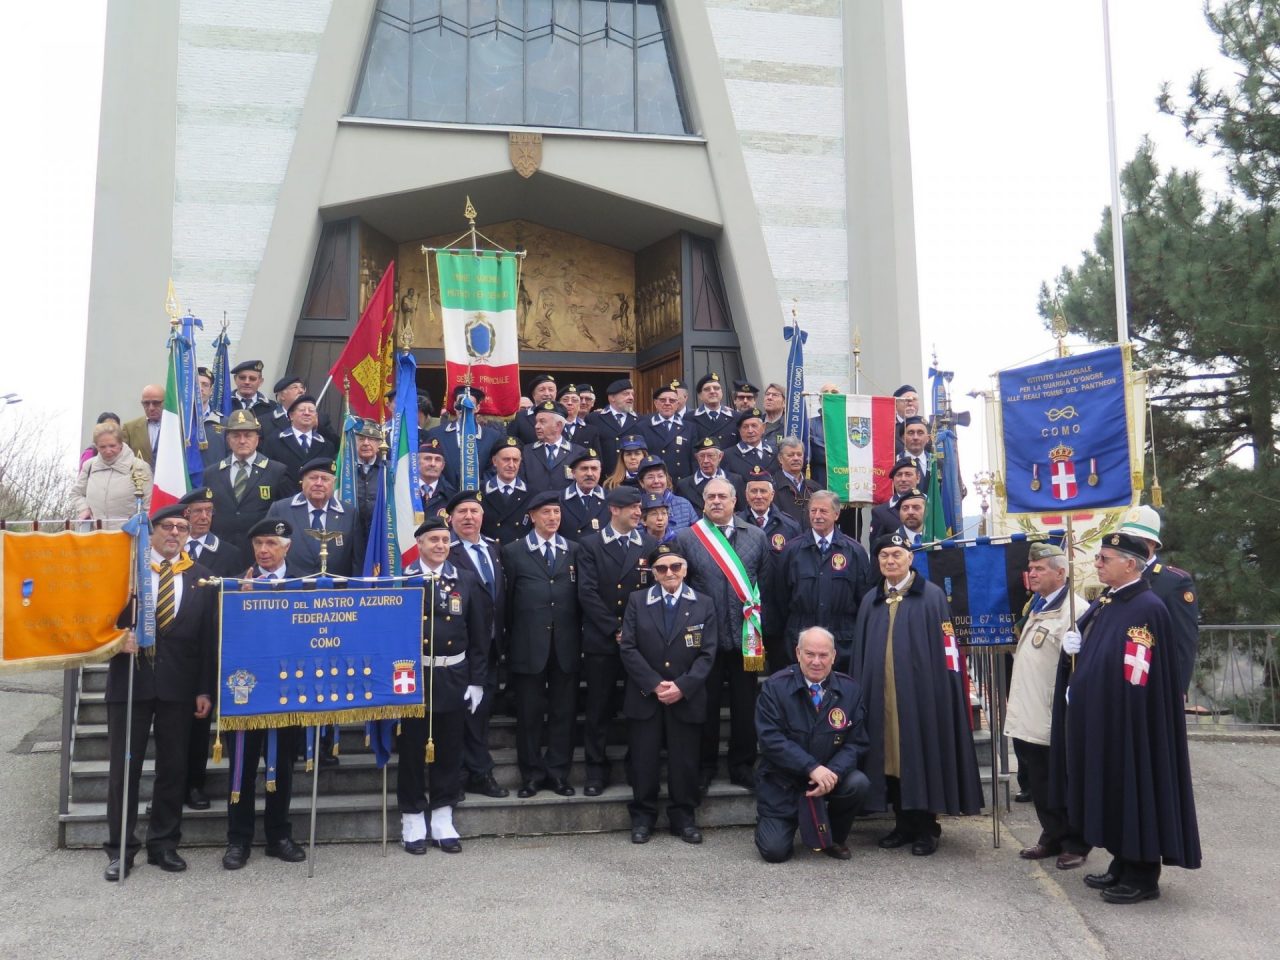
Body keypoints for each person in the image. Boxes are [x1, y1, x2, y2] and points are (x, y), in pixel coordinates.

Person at [1049, 532, 1201, 904]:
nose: (1097, 564)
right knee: (1114, 790)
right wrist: (1078, 655)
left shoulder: (1146, 607)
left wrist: (1108, 698)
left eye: (1104, 559)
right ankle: (1121, 861)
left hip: (1130, 720)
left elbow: (1137, 671)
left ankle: (1143, 874)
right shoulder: (1110, 602)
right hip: (1105, 717)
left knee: (1134, 789)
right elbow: (1102, 653)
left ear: (1129, 564)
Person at [850, 532, 983, 856]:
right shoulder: (871, 600)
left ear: (910, 558)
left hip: (922, 697)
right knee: (889, 758)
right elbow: (861, 653)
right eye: (884, 556)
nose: (890, 561)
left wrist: (947, 688)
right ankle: (902, 823)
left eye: (897, 555)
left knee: (919, 754)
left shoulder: (932, 597)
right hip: (882, 699)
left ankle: (927, 827)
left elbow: (948, 650)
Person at [102, 504, 216, 881]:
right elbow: (98, 621)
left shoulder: (201, 577)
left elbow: (206, 640)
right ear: (150, 531)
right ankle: (121, 849)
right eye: (167, 526)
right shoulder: (127, 574)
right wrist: (116, 639)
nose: (174, 533)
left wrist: (204, 689)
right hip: (130, 682)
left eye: (182, 528)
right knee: (125, 769)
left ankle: (164, 844)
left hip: (180, 688)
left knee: (173, 769)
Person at [398, 517, 489, 853]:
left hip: (454, 675)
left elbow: (480, 635)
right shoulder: (404, 580)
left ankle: (442, 816)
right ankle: (411, 817)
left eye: (444, 540)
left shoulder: (464, 580)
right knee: (411, 750)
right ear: (419, 544)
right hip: (412, 676)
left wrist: (478, 680)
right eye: (432, 539)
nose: (439, 545)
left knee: (449, 749)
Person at [222, 519, 307, 870]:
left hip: (287, 688)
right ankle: (238, 839)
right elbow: (223, 637)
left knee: (281, 766)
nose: (264, 550)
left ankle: (278, 835)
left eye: (271, 543)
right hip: (246, 689)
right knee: (241, 767)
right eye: (258, 543)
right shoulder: (238, 582)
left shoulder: (303, 583)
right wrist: (239, 605)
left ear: (286, 547)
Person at [619, 542, 718, 844]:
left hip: (685, 696)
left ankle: (683, 817)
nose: (669, 572)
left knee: (684, 762)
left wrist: (682, 686)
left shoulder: (703, 603)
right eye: (662, 568)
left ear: (685, 570)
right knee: (644, 761)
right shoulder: (637, 601)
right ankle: (643, 818)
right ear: (653, 573)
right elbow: (628, 646)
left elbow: (707, 653)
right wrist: (653, 683)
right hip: (646, 695)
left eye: (676, 567)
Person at [677, 477, 768, 791]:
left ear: (734, 501)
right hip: (706, 638)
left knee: (745, 707)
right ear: (703, 501)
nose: (716, 501)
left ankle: (742, 766)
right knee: (707, 705)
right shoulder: (688, 538)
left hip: (746, 637)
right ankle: (705, 766)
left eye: (722, 497)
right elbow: (682, 589)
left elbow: (765, 583)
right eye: (710, 496)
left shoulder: (756, 536)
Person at [1004, 542, 1090, 869]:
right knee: (1040, 780)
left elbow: (1080, 667)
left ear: (1060, 572)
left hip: (1055, 715)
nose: (1033, 573)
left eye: (1040, 568)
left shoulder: (1075, 610)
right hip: (1031, 713)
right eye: (1032, 568)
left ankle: (1076, 842)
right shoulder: (1038, 606)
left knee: (1063, 781)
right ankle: (1052, 833)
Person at [754, 626, 871, 863]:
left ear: (834, 656)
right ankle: (783, 822)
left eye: (823, 655)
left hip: (828, 778)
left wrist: (832, 774)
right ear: (798, 653)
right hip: (783, 783)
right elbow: (771, 740)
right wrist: (811, 768)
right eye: (810, 654)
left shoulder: (850, 690)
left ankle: (834, 836)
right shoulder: (775, 688)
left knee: (858, 782)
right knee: (774, 852)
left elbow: (856, 743)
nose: (816, 661)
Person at [576, 486, 657, 795]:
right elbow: (588, 592)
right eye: (632, 507)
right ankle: (596, 771)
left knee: (639, 708)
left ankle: (637, 767)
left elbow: (653, 591)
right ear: (613, 509)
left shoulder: (649, 544)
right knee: (599, 709)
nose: (639, 512)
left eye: (640, 507)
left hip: (639, 642)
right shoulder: (591, 545)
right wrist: (615, 628)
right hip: (603, 641)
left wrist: (633, 631)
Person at [501, 490, 582, 798]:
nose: (552, 518)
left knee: (564, 714)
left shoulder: (573, 550)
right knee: (530, 715)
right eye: (546, 513)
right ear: (533, 516)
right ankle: (532, 775)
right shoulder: (513, 551)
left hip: (566, 645)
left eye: (557, 513)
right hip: (528, 646)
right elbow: (506, 603)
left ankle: (558, 774)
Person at [176, 487, 238, 813]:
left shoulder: (228, 553)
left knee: (203, 720)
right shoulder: (174, 552)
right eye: (197, 511)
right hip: (182, 648)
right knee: (179, 721)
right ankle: (176, 783)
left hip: (215, 644)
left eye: (208, 511)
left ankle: (196, 783)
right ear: (184, 514)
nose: (203, 517)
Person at [446, 491, 509, 799]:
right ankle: (461, 774)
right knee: (459, 715)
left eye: (474, 511)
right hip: (460, 648)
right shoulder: (447, 551)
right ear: (451, 519)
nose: (469, 517)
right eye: (462, 512)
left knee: (481, 713)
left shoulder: (494, 549)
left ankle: (477, 772)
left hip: (493, 647)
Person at [770, 491, 872, 673]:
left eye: (823, 511)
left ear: (836, 514)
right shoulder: (792, 551)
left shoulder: (854, 552)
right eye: (813, 511)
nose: (817, 516)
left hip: (842, 641)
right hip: (801, 637)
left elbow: (863, 598)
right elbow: (780, 596)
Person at [1117, 505, 1200, 695]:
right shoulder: (1118, 576)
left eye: (1135, 540)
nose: (1128, 545)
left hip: (1155, 680)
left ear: (1152, 544)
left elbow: (1183, 641)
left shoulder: (1173, 582)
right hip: (1121, 678)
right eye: (1126, 539)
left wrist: (1176, 690)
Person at [207, 409, 291, 566]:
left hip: (262, 556)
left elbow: (285, 516)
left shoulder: (276, 471)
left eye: (248, 435)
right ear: (228, 440)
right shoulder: (212, 473)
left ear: (257, 439)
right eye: (236, 436)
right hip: (221, 557)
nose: (242, 440)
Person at [264, 457, 363, 576]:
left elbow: (357, 561)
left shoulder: (349, 513)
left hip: (336, 591)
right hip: (293, 588)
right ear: (302, 482)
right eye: (313, 478)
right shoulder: (280, 509)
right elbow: (267, 550)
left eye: (325, 479)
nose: (319, 483)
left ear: (334, 483)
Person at [72, 419, 153, 526]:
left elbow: (150, 506)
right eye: (102, 447)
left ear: (120, 444)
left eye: (112, 445)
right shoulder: (89, 466)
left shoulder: (140, 467)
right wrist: (83, 509)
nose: (108, 451)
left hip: (129, 536)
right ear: (96, 446)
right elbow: (76, 493)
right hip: (96, 535)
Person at [425, 385, 501, 488]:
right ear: (454, 405)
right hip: (444, 495)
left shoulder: (492, 437)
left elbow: (493, 468)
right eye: (460, 405)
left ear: (477, 408)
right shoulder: (436, 434)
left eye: (468, 405)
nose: (463, 409)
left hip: (478, 495)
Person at [261, 394, 335, 493]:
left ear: (316, 417)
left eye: (311, 411)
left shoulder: (326, 445)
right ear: (291, 415)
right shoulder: (274, 441)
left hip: (314, 501)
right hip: (282, 500)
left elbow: (328, 475)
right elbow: (267, 472)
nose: (307, 413)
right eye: (302, 410)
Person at [521, 401, 585, 496]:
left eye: (542, 422)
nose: (536, 426)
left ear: (558, 426)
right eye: (536, 422)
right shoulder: (526, 452)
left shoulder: (578, 453)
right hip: (534, 508)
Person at [737, 465, 801, 557]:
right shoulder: (735, 525)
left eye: (763, 491)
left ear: (772, 495)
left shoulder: (790, 526)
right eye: (754, 491)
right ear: (746, 495)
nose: (758, 496)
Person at [637, 381, 694, 480]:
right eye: (663, 400)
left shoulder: (689, 427)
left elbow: (693, 459)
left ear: (677, 404)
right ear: (656, 403)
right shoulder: (643, 427)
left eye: (672, 401)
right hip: (654, 482)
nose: (667, 403)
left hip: (681, 484)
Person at [675, 436, 745, 513]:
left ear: (720, 456)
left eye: (710, 456)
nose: (705, 461)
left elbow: (741, 511)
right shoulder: (684, 485)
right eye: (701, 456)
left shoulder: (735, 480)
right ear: (696, 457)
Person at [481, 438, 530, 544]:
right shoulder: (480, 493)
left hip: (519, 556)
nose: (511, 465)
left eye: (515, 460)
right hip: (492, 555)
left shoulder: (532, 495)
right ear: (494, 461)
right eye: (506, 459)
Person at [586, 378, 639, 476]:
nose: (631, 397)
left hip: (632, 479)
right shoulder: (594, 419)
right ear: (612, 398)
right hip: (604, 479)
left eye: (632, 394)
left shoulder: (640, 420)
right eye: (626, 394)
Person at [636, 455, 699, 535]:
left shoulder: (684, 504)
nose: (656, 481)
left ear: (667, 478)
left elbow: (697, 538)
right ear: (641, 483)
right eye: (650, 477)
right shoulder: (636, 509)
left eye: (660, 476)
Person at [558, 448, 609, 541]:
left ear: (600, 471)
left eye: (594, 469)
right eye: (584, 468)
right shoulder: (559, 499)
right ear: (573, 473)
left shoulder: (610, 499)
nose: (589, 474)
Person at [770, 437, 821, 529]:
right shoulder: (772, 487)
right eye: (790, 455)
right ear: (780, 459)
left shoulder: (815, 487)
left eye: (799, 454)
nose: (796, 458)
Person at [868, 458, 921, 542]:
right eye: (899, 475)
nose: (903, 479)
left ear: (918, 478)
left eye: (908, 474)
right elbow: (875, 550)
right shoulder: (880, 513)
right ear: (893, 480)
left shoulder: (931, 505)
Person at [351, 419, 384, 538]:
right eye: (361, 439)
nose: (366, 443)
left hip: (380, 534)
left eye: (371, 439)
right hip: (351, 534)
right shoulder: (345, 470)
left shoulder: (388, 470)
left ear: (379, 443)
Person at [720, 408, 777, 478]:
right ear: (739, 430)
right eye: (745, 427)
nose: (750, 431)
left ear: (763, 428)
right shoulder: (727, 456)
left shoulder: (775, 452)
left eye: (754, 426)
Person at [119, 384, 165, 468]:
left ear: (165, 402)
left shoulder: (176, 427)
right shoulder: (129, 429)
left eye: (156, 403)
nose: (151, 408)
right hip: (140, 479)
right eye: (146, 403)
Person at [508, 373, 560, 445]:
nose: (547, 393)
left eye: (551, 390)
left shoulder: (562, 416)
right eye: (542, 390)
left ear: (556, 393)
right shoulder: (519, 417)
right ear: (533, 394)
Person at [691, 372, 737, 448]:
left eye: (716, 388)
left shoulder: (736, 417)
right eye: (707, 389)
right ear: (700, 396)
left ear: (721, 392)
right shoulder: (689, 418)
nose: (712, 391)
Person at [556, 382, 602, 452]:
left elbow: (597, 459)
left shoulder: (591, 430)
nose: (570, 403)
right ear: (558, 403)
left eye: (574, 400)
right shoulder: (551, 427)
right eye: (565, 400)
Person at [418, 437, 457, 519]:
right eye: (427, 459)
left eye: (437, 460)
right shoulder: (406, 490)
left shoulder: (451, 496)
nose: (433, 464)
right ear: (417, 462)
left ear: (442, 466)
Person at [900, 416, 931, 486]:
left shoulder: (938, 464)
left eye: (920, 433)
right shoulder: (894, 462)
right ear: (903, 438)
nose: (915, 437)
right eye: (911, 433)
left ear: (928, 438)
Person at [760, 383, 787, 450]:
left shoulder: (789, 425)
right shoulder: (756, 422)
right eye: (767, 394)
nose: (769, 398)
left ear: (784, 402)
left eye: (775, 395)